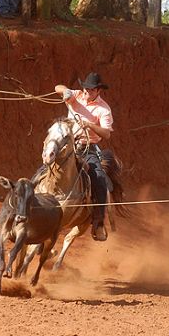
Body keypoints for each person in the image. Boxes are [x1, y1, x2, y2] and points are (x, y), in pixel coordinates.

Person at [56, 72, 113, 242]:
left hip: (88, 148)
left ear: (98, 90)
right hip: (68, 144)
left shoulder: (104, 109)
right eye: (85, 88)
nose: (86, 91)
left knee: (99, 179)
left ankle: (99, 222)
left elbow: (107, 134)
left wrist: (90, 125)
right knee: (47, 164)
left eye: (90, 89)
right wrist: (65, 91)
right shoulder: (77, 95)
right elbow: (57, 87)